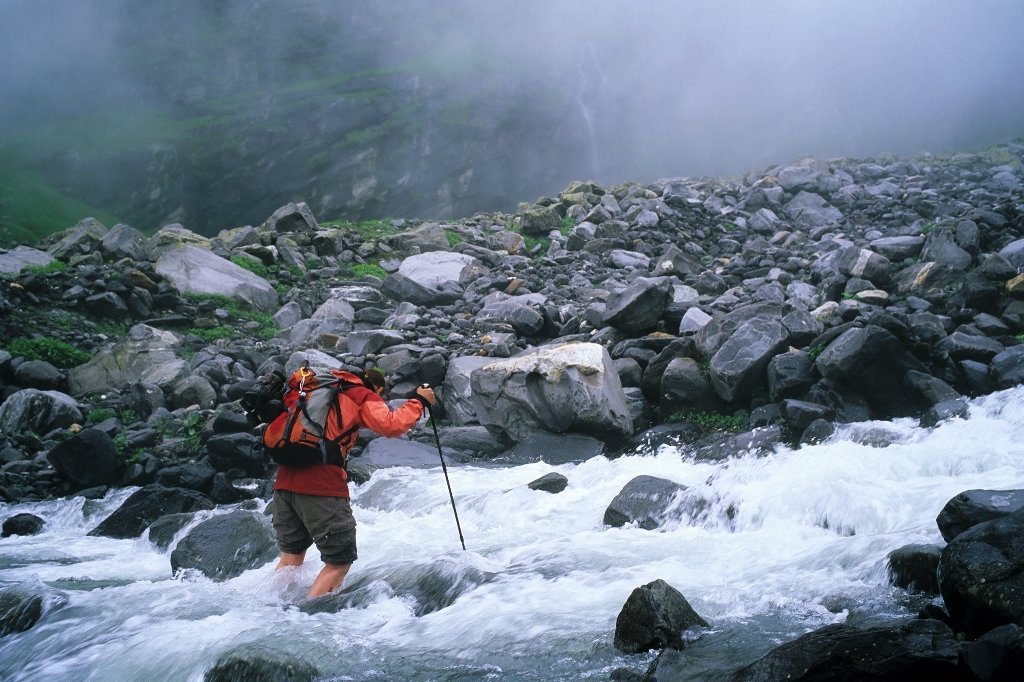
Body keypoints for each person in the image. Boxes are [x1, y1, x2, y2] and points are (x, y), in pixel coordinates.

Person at [271, 368, 435, 598]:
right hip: (321, 486)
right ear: (377, 389)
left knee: (291, 556)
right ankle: (305, 620)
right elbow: (391, 424)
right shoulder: (359, 395)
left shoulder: (316, 390)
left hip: (284, 482)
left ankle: (269, 606)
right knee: (339, 562)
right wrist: (419, 402)